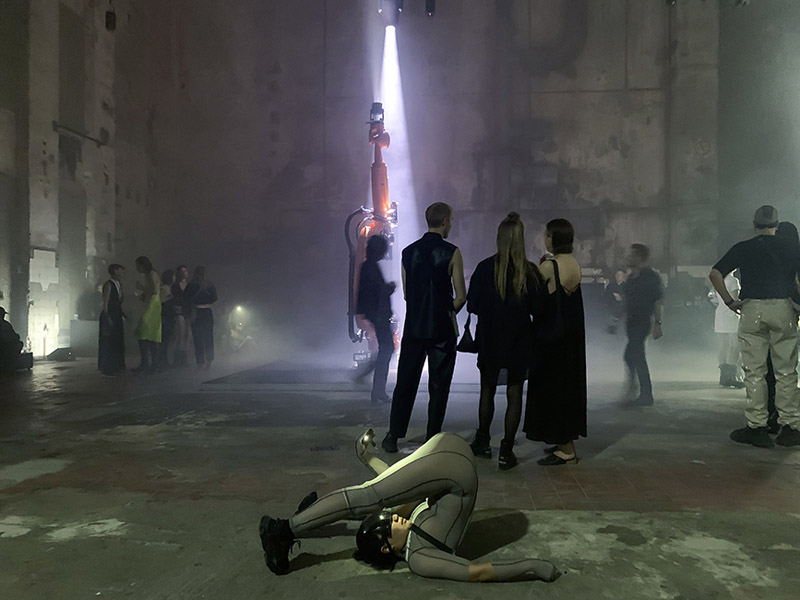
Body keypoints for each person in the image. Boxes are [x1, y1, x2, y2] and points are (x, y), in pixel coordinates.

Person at [259, 429, 560, 583]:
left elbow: (402, 486)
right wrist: (532, 566)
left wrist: (369, 459)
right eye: (388, 525)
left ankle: (303, 521)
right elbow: (476, 572)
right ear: (387, 548)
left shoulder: (409, 530)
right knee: (366, 498)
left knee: (372, 496)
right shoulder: (420, 558)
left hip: (446, 457)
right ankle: (285, 530)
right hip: (455, 470)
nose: (393, 519)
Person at [710, 205, 800, 448]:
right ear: (777, 226)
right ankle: (790, 427)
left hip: (752, 309)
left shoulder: (743, 247)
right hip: (783, 308)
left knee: (755, 371)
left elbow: (715, 274)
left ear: (754, 225)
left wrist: (729, 302)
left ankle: (757, 427)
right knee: (786, 371)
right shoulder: (792, 248)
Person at [382, 202, 467, 453]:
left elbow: (407, 294)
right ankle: (432, 438)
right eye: (451, 220)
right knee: (439, 386)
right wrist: (446, 313)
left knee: (405, 382)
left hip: (415, 327)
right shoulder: (452, 253)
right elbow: (461, 296)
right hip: (442, 330)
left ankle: (393, 435)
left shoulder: (408, 252)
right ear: (445, 221)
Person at [466, 213, 543, 470]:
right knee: (515, 392)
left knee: (487, 389)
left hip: (490, 338)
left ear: (499, 238)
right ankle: (507, 450)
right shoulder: (529, 272)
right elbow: (538, 309)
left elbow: (472, 305)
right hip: (519, 340)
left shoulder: (484, 268)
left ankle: (483, 440)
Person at [524, 219, 587, 465]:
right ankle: (563, 440)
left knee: (552, 390)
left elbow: (533, 297)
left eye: (547, 234)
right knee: (567, 389)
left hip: (551, 342)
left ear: (553, 238)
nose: (545, 238)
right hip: (570, 339)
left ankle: (566, 449)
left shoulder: (549, 266)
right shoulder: (573, 263)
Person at [619, 244, 664, 407]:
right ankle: (641, 392)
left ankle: (638, 391)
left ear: (639, 256)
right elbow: (627, 301)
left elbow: (658, 301)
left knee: (632, 355)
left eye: (631, 254)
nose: (627, 257)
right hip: (631, 322)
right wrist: (617, 319)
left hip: (642, 321)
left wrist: (657, 323)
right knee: (636, 356)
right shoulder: (631, 277)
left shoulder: (651, 277)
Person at [355, 235, 396, 404]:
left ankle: (375, 387)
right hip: (379, 314)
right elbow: (377, 292)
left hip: (377, 314)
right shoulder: (371, 268)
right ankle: (376, 387)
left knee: (386, 349)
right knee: (387, 349)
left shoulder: (368, 266)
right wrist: (389, 288)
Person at [708, 271, 744, 388]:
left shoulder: (718, 281)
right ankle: (732, 376)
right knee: (735, 346)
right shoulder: (734, 281)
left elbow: (713, 298)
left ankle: (723, 376)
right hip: (732, 315)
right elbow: (734, 299)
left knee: (723, 345)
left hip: (720, 314)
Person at [185, 266, 218, 369]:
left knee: (197, 337)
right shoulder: (209, 284)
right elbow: (214, 298)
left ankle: (200, 361)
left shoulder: (191, 285)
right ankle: (209, 360)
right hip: (207, 311)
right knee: (209, 337)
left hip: (196, 311)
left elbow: (186, 298)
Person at [133, 256, 161, 374]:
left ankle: (149, 365)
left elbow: (154, 290)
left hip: (152, 307)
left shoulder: (151, 274)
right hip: (152, 305)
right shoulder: (149, 275)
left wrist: (141, 287)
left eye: (137, 266)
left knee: (144, 334)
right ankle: (150, 364)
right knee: (148, 336)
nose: (136, 268)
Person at [98, 264, 126, 376]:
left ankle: (117, 366)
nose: (122, 273)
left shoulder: (119, 285)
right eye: (120, 270)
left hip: (117, 315)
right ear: (115, 271)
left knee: (117, 341)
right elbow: (105, 302)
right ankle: (108, 368)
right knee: (109, 342)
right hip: (110, 314)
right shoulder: (109, 284)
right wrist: (106, 316)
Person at [170, 265, 192, 367]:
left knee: (187, 335)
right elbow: (175, 298)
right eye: (182, 271)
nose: (184, 273)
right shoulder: (175, 285)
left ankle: (184, 358)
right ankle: (177, 358)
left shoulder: (189, 285)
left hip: (188, 310)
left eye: (185, 271)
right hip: (180, 310)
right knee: (180, 335)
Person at [159, 269, 176, 369]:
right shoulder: (165, 289)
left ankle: (164, 361)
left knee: (166, 340)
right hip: (166, 317)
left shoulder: (166, 288)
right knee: (165, 340)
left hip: (166, 317)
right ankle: (163, 361)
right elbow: (162, 302)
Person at [0, 307, 24, 374]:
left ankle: (9, 366)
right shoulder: (5, 325)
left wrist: (16, 337)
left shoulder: (6, 325)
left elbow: (12, 334)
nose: (3, 316)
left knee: (19, 344)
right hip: (3, 346)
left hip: (8, 345)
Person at [604, 269, 626, 334]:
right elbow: (606, 296)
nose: (618, 276)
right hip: (611, 306)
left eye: (620, 275)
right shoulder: (611, 285)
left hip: (622, 307)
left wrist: (621, 298)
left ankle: (617, 324)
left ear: (623, 276)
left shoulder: (627, 286)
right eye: (617, 274)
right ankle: (612, 326)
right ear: (615, 276)